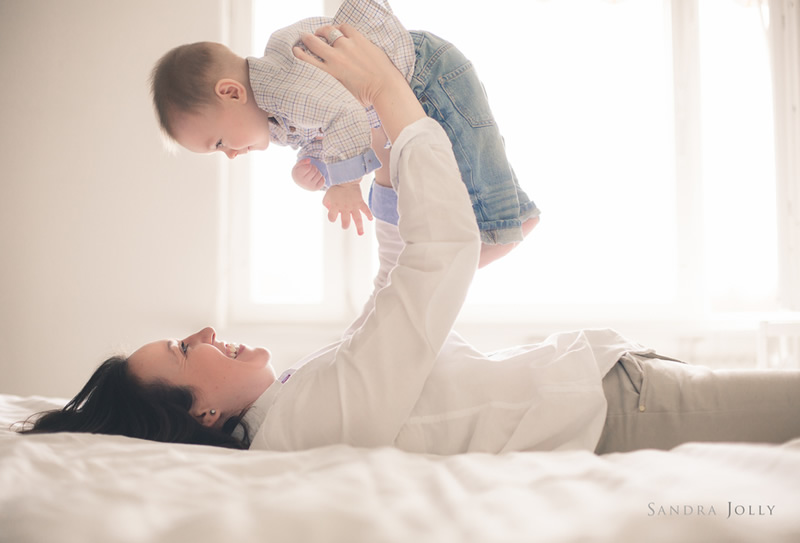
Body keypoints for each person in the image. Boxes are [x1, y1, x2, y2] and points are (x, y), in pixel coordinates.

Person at [22, 25, 800, 455]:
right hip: (619, 406)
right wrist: (392, 100)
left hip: (609, 378)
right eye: (184, 350)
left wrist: (387, 171)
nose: (203, 332)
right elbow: (439, 263)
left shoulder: (295, 399)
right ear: (198, 417)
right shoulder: (306, 424)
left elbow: (399, 291)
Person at [150, 0, 539, 267]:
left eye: (219, 143)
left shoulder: (281, 84)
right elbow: (325, 132)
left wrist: (346, 184)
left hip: (426, 74)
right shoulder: (275, 113)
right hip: (396, 104)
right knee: (419, 178)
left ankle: (507, 224)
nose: (231, 155)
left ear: (231, 92)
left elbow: (344, 115)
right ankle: (487, 231)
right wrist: (314, 167)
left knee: (474, 158)